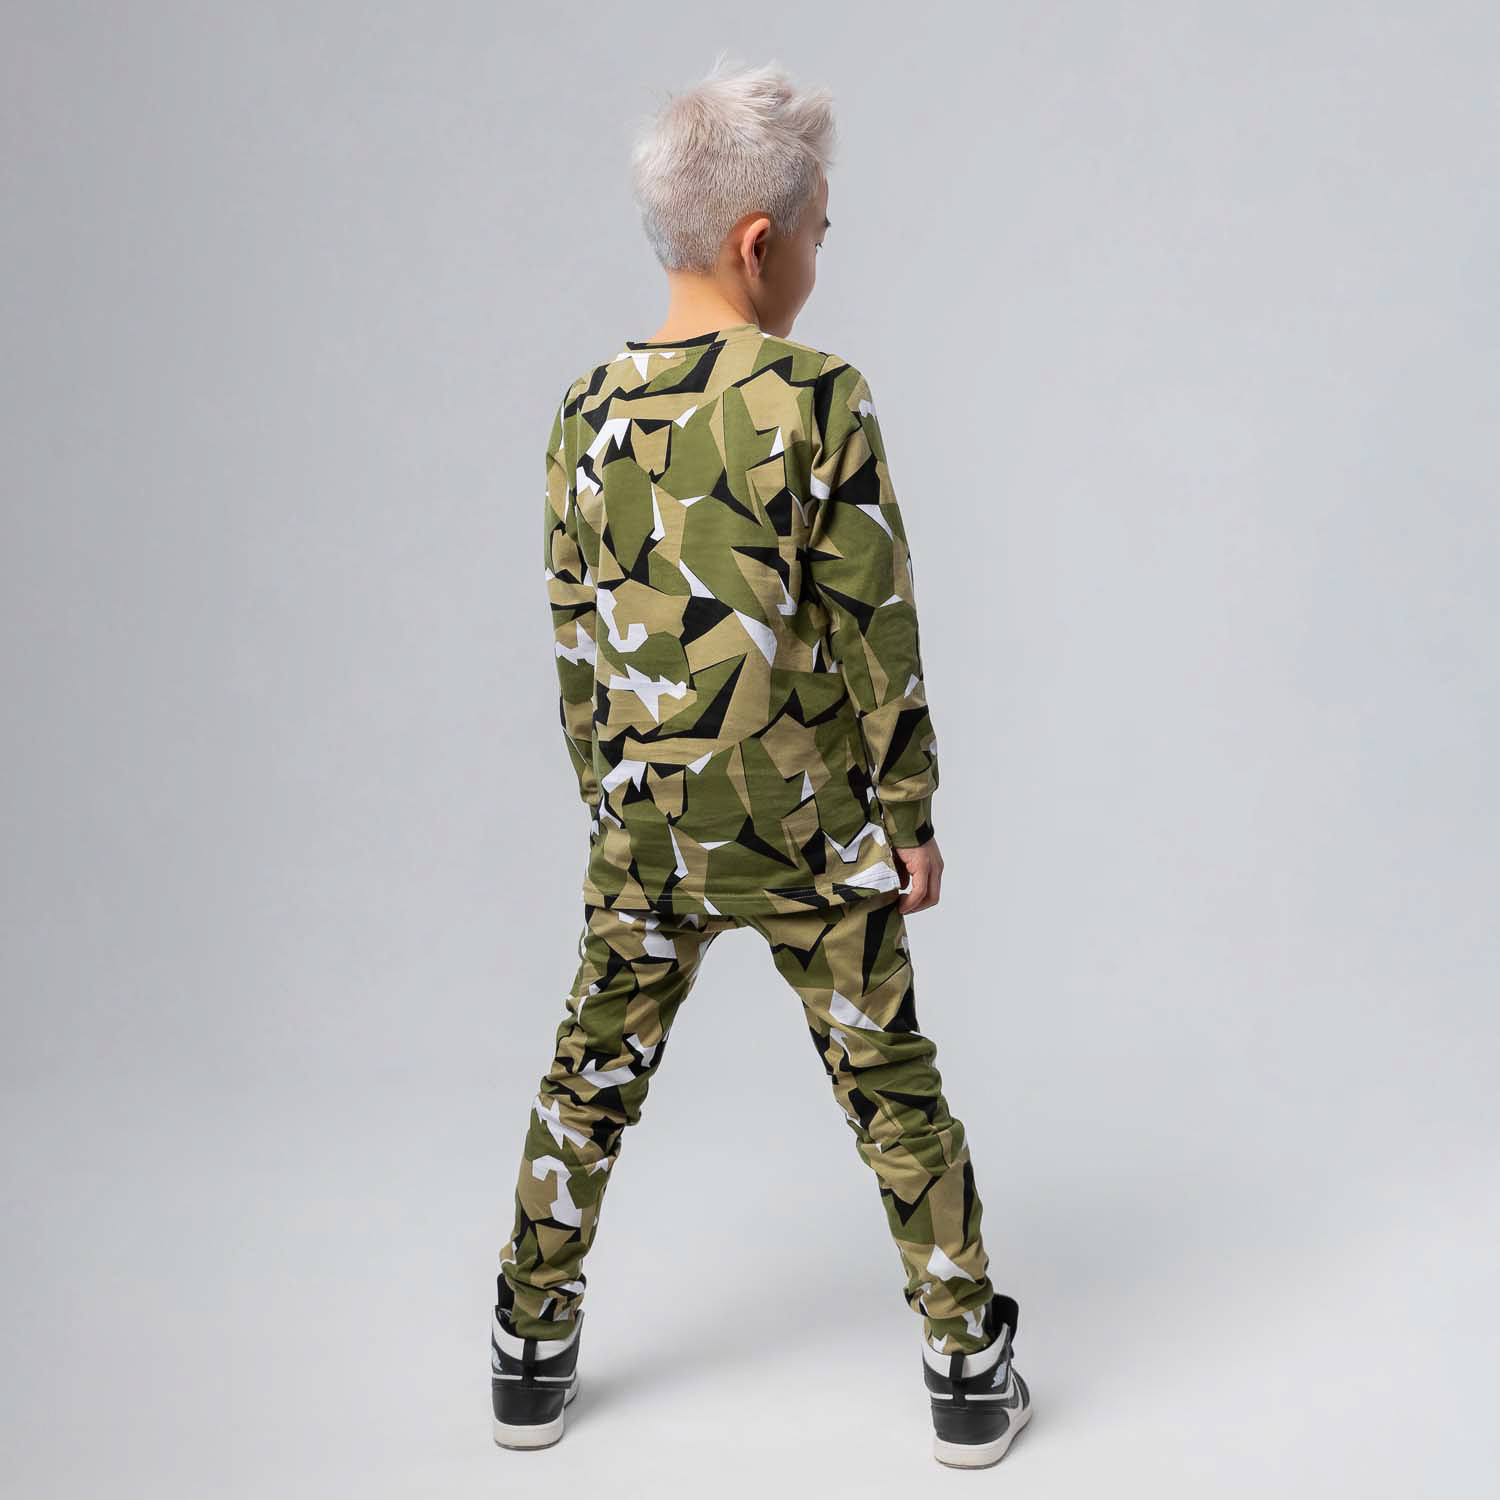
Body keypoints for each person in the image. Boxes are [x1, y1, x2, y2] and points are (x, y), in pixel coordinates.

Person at [491, 54, 1031, 1470]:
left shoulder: (582, 409)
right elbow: (875, 626)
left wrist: (613, 805)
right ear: (759, 242)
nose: (820, 264)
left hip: (645, 834)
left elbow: (575, 633)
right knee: (890, 1083)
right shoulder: (819, 397)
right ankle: (967, 1369)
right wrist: (908, 813)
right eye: (821, 236)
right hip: (809, 830)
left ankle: (527, 1351)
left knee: (589, 1080)